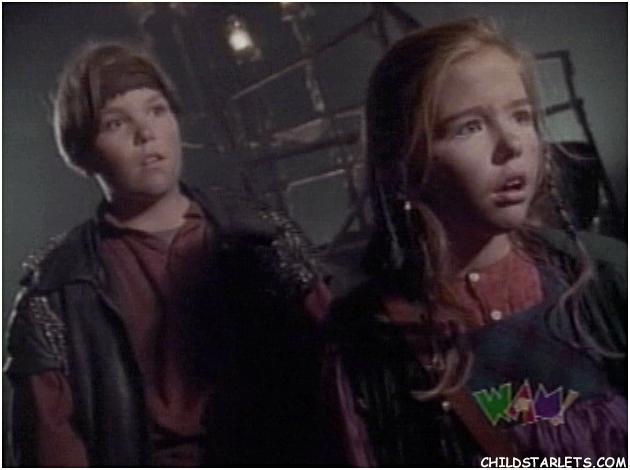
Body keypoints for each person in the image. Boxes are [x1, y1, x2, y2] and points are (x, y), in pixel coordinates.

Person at [4, 40, 335, 467]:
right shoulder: (58, 288)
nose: (146, 134)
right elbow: (50, 445)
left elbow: (339, 375)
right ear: (82, 152)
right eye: (115, 123)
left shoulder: (263, 239)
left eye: (157, 110)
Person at [325, 18, 627, 467]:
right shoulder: (373, 336)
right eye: (468, 127)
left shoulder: (601, 276)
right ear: (403, 158)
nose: (511, 144)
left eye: (521, 116)